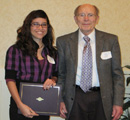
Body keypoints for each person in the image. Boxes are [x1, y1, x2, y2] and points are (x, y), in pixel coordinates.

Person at [56, 4, 124, 120]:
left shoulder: (110, 40)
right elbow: (61, 75)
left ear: (97, 18)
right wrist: (59, 100)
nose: (86, 19)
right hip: (74, 98)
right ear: (75, 18)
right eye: (81, 15)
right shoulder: (63, 41)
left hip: (102, 98)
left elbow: (117, 75)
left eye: (90, 15)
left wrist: (118, 102)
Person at [5, 10, 58, 120]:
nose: (40, 28)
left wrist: (52, 80)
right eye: (36, 24)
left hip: (43, 105)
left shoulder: (52, 52)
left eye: (44, 24)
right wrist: (20, 105)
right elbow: (10, 79)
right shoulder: (16, 50)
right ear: (28, 26)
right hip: (21, 105)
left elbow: (56, 74)